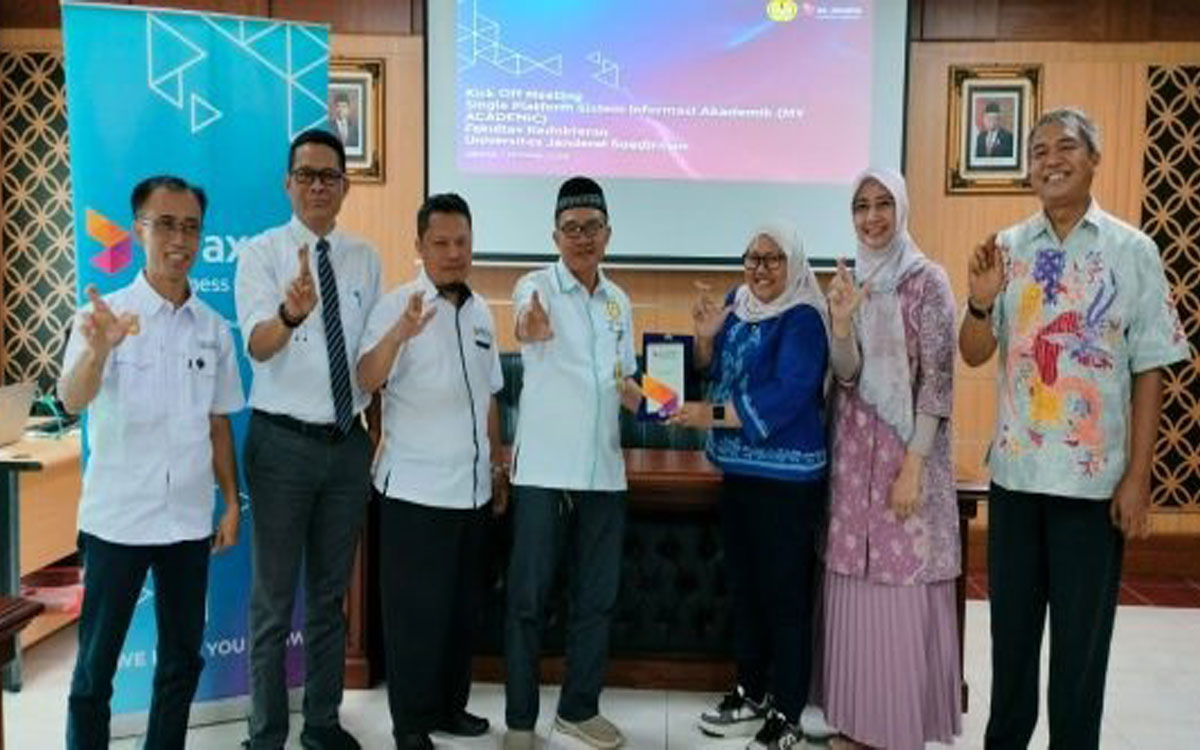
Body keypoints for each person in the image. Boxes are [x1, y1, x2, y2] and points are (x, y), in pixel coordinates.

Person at [958, 108, 1190, 749]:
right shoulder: (1007, 248)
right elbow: (973, 352)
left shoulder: (1133, 251)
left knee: (1079, 662)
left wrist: (1139, 477)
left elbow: (1151, 367)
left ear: (1094, 160)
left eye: (1065, 147)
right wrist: (979, 300)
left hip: (1093, 490)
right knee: (1010, 652)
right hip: (1016, 481)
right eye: (1038, 151)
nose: (1050, 159)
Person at [59, 175, 243, 749]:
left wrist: (230, 503)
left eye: (190, 227)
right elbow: (72, 399)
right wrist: (98, 351)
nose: (179, 240)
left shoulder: (213, 329)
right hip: (118, 520)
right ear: (139, 230)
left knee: (181, 661)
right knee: (95, 668)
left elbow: (218, 423)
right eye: (165, 225)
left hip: (187, 521)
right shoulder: (104, 316)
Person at [235, 129, 381, 750]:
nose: (318, 185)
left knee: (328, 599)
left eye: (330, 176)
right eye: (307, 175)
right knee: (272, 604)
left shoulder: (365, 258)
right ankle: (266, 735)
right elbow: (257, 345)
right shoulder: (261, 254)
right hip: (281, 448)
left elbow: (368, 360)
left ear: (345, 186)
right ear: (288, 183)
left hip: (347, 446)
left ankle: (321, 723)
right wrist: (291, 314)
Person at [671, 222, 829, 750]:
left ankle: (787, 711)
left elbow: (788, 394)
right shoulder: (736, 304)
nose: (760, 269)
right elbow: (712, 369)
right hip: (738, 472)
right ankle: (751, 691)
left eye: (773, 258)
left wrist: (709, 414)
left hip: (787, 481)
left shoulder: (804, 318)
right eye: (752, 257)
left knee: (784, 598)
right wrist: (704, 337)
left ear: (795, 263)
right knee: (745, 590)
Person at [355, 193, 504, 750]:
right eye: (440, 243)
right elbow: (366, 379)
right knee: (414, 617)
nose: (453, 252)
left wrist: (497, 466)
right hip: (415, 493)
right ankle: (411, 724)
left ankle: (448, 708)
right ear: (419, 246)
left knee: (461, 612)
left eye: (461, 242)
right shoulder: (397, 305)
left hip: (473, 491)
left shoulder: (482, 311)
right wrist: (399, 334)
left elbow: (490, 396)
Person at [819, 168, 961, 750]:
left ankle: (897, 731)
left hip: (908, 459)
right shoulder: (851, 280)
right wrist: (842, 321)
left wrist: (913, 466)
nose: (872, 217)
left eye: (883, 204)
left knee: (901, 590)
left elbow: (938, 383)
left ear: (901, 209)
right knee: (857, 585)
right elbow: (847, 375)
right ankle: (859, 726)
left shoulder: (928, 281)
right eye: (861, 206)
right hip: (854, 460)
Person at [503, 176, 643, 750]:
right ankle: (519, 721)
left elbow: (626, 381)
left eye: (592, 227)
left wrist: (663, 402)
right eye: (571, 228)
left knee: (596, 600)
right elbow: (523, 323)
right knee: (527, 601)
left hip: (604, 472)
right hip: (543, 472)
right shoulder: (535, 286)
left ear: (608, 234)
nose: (582, 237)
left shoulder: (618, 301)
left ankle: (579, 710)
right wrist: (529, 327)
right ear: (555, 236)